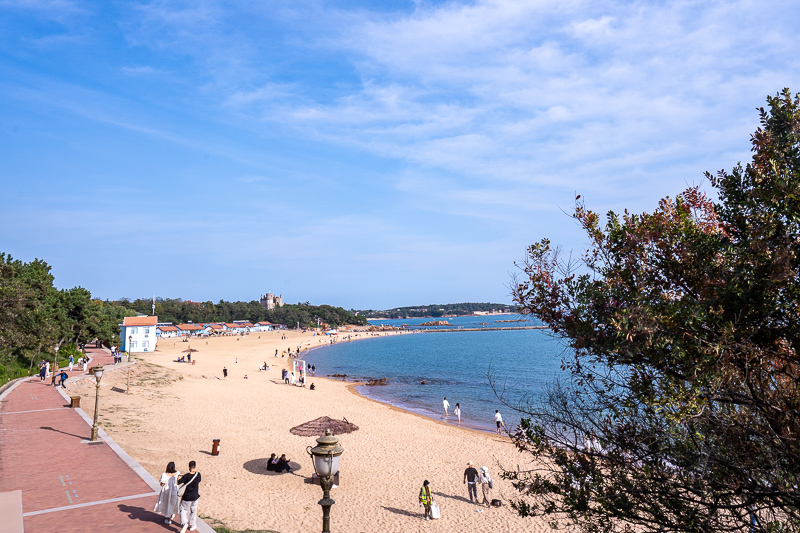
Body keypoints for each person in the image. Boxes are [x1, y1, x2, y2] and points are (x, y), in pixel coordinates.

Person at [177, 460, 201, 533]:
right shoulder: (198, 475)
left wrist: (179, 477)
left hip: (186, 497)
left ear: (189, 467)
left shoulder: (186, 476)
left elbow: (178, 482)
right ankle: (192, 525)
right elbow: (198, 480)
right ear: (195, 467)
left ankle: (184, 523)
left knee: (183, 510)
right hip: (195, 496)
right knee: (193, 510)